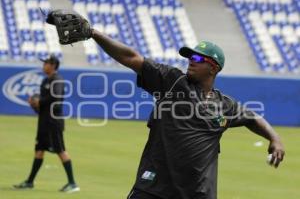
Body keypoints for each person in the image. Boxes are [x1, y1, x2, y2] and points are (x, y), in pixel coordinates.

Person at [87, 28, 285, 199]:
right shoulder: (172, 81)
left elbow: (252, 118)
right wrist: (92, 33)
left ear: (213, 68)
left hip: (197, 193)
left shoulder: (225, 105)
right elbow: (130, 58)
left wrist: (274, 138)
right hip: (153, 188)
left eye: (198, 58)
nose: (191, 60)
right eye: (190, 56)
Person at [13, 55, 80, 193]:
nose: (44, 66)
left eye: (46, 64)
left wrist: (40, 102)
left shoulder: (58, 80)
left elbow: (55, 98)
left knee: (60, 150)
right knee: (39, 150)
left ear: (53, 65)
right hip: (44, 121)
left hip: (53, 122)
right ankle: (30, 182)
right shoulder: (45, 81)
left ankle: (73, 183)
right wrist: (34, 105)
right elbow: (43, 105)